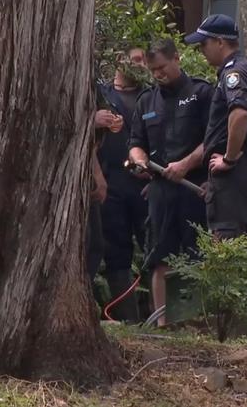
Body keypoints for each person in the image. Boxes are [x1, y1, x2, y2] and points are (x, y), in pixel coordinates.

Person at [128, 38, 213, 326]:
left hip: (195, 189)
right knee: (160, 256)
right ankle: (163, 324)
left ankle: (196, 321)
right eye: (153, 70)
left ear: (177, 59)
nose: (158, 74)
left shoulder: (201, 93)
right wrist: (139, 160)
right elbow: (136, 143)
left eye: (162, 67)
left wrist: (186, 164)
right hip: (161, 191)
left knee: (196, 255)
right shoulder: (146, 101)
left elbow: (213, 140)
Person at [184, 14, 247, 241]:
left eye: (204, 44)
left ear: (220, 42)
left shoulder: (234, 72)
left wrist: (229, 159)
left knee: (226, 247)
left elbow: (240, 113)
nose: (201, 50)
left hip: (235, 173)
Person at [96, 47, 148, 321]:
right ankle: (128, 318)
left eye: (144, 60)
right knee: (116, 250)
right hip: (110, 182)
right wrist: (96, 120)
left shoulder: (152, 96)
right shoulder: (102, 95)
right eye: (135, 59)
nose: (141, 64)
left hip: (145, 185)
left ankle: (161, 317)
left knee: (153, 246)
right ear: (119, 60)